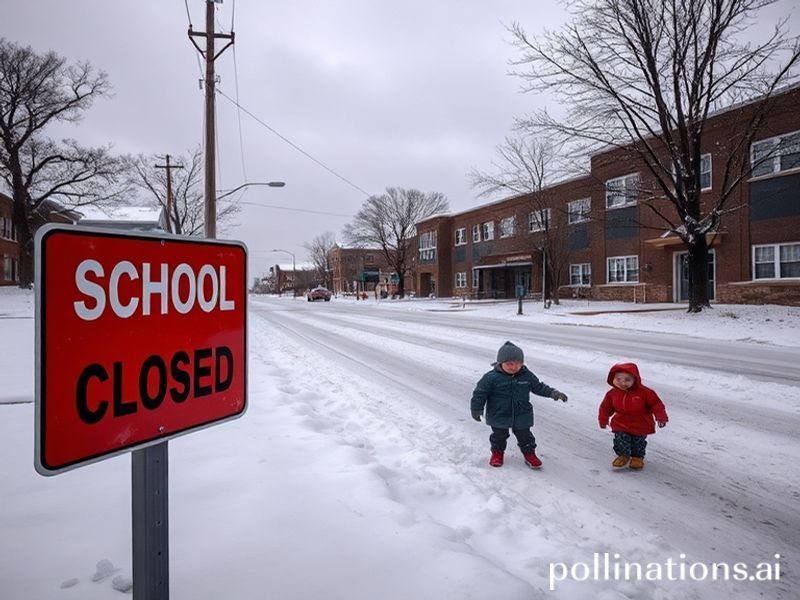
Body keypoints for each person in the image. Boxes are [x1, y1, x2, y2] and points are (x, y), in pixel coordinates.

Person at [470, 341, 568, 469]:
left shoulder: (526, 375)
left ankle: (529, 454)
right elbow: (480, 394)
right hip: (499, 414)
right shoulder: (491, 378)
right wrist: (476, 409)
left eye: (518, 363)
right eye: (510, 364)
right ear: (501, 363)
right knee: (499, 436)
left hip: (522, 413)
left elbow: (538, 387)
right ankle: (497, 453)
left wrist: (553, 393)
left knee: (525, 436)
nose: (514, 367)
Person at [598, 362, 668, 470]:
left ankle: (637, 457)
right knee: (621, 440)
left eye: (627, 380)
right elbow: (605, 408)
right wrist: (603, 419)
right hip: (620, 423)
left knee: (638, 442)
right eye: (618, 379)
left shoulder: (645, 393)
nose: (622, 383)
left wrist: (661, 417)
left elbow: (656, 404)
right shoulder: (612, 394)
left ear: (635, 379)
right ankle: (623, 456)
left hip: (641, 423)